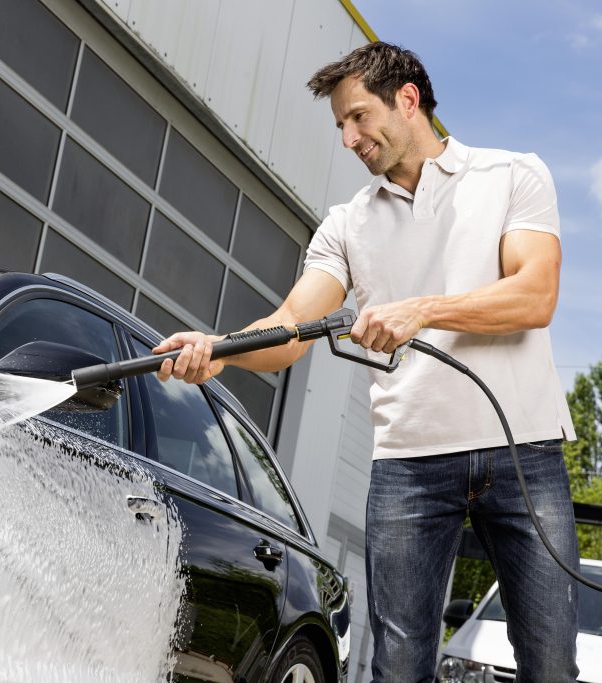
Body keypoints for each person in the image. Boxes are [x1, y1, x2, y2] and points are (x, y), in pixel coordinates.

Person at [154, 42, 579, 682]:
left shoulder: (512, 175)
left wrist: (422, 310)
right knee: (398, 669)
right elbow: (291, 325)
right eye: (340, 126)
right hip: (409, 464)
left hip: (524, 453)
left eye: (358, 117)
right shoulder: (347, 224)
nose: (349, 138)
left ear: (407, 99)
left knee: (549, 665)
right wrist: (220, 349)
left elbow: (534, 295)